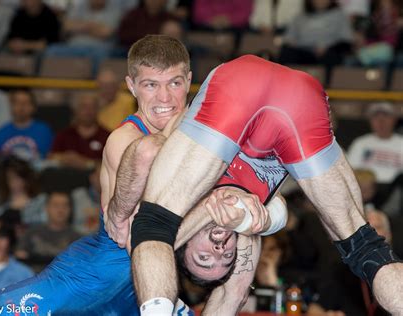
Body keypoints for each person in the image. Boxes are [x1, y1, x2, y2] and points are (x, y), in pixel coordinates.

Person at [0, 35, 279, 316]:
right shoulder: (126, 141)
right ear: (131, 86)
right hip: (97, 272)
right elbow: (139, 238)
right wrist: (219, 202)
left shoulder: (208, 139)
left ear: (189, 80)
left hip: (147, 283)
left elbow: (271, 200)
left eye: (174, 83)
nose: (165, 99)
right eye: (151, 85)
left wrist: (250, 208)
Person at [115, 40, 403, 315]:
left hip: (241, 85)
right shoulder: (246, 227)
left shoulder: (184, 183)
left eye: (205, 257)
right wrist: (256, 220)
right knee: (365, 248)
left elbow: (145, 151)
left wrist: (120, 212)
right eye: (226, 257)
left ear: (183, 247)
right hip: (300, 103)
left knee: (153, 226)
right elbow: (235, 294)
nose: (219, 249)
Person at [0, 88, 53, 164]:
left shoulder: (44, 131)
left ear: (33, 107)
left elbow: (50, 158)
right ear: (10, 106)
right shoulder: (0, 132)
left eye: (25, 103)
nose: (21, 107)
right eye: (17, 103)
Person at [49, 92, 109, 169]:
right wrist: (64, 158)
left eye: (92, 107)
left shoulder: (107, 136)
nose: (88, 111)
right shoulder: (63, 135)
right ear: (76, 110)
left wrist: (87, 163)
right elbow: (50, 158)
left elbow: (112, 165)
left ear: (98, 110)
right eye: (84, 107)